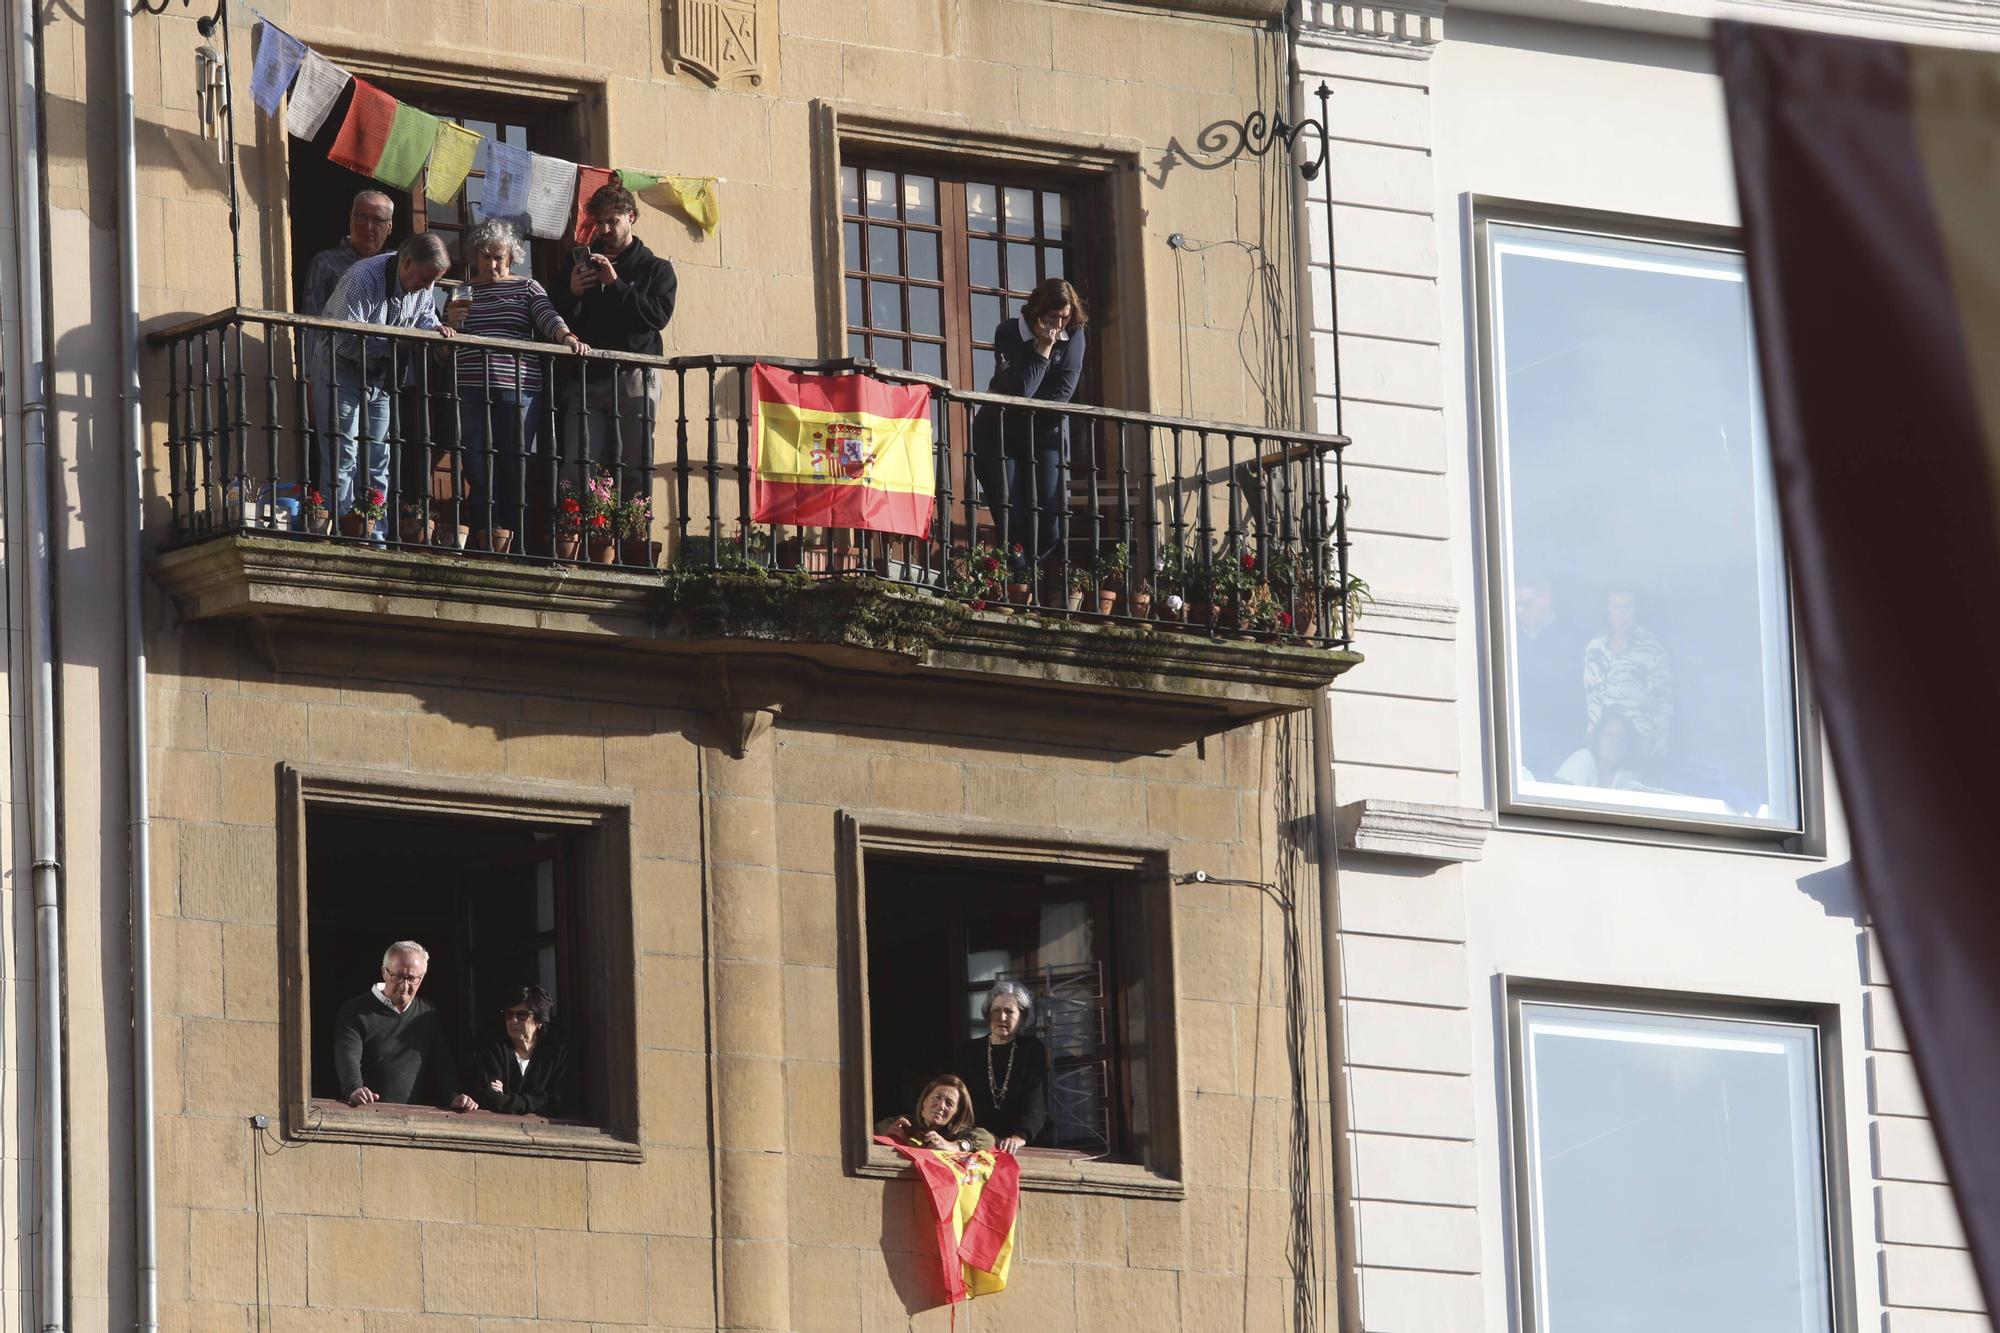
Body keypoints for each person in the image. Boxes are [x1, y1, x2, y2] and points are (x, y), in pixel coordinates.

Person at [443, 220, 589, 547]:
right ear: (475, 257)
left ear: (511, 258)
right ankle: (486, 539)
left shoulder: (527, 287)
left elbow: (547, 317)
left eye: (499, 257)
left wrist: (567, 338)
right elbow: (444, 350)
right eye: (486, 257)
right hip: (470, 388)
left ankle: (515, 543)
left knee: (514, 466)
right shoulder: (462, 292)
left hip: (518, 389)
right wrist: (449, 326)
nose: (493, 264)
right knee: (477, 468)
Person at [320, 233, 456, 538]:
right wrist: (398, 344)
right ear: (407, 263)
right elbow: (343, 340)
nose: (427, 286)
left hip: (382, 372)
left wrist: (434, 329)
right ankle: (341, 534)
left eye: (432, 281)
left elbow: (422, 314)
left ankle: (375, 534)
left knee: (379, 456)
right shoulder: (363, 278)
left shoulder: (425, 280)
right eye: (424, 279)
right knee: (344, 450)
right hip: (342, 365)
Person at [549, 181, 677, 489]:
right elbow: (551, 314)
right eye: (599, 222)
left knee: (634, 464)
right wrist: (573, 292)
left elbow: (657, 316)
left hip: (634, 376)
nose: (605, 229)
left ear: (630, 217)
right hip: (586, 376)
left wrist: (617, 285)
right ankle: (578, 534)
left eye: (612, 221)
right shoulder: (577, 262)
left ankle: (631, 536)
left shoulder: (656, 269)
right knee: (580, 465)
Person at [972, 278, 1088, 573]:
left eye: (1065, 317)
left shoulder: (1074, 335)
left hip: (1045, 432)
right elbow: (1022, 390)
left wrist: (1030, 405)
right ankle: (1019, 584)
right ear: (1038, 311)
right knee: (1013, 516)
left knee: (1051, 518)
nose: (1059, 325)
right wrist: (1043, 350)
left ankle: (1039, 580)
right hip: (999, 433)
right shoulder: (1009, 332)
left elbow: (1064, 391)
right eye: (1053, 317)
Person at [331, 940, 475, 1112]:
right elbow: (347, 1056)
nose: (405, 986)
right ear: (384, 972)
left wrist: (454, 1096)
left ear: (422, 977)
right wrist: (354, 1089)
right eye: (398, 976)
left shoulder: (426, 1013)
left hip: (412, 1117)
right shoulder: (354, 1010)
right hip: (367, 1113)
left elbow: (441, 1062)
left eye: (412, 978)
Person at [954, 980, 1047, 1154]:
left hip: (1015, 1146)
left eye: (1009, 1011)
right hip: (974, 1142)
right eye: (996, 1010)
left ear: (1023, 1016)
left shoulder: (1032, 1049)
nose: (1001, 1017)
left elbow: (1036, 1099)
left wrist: (1020, 1135)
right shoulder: (968, 1051)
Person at [1583, 589, 1673, 761]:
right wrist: (1592, 738)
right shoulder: (1594, 649)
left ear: (1637, 610)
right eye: (1616, 608)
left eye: (1628, 607)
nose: (1622, 614)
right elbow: (1591, 699)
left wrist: (1658, 748)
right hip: (1600, 744)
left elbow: (1664, 703)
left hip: (1637, 745)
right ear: (1608, 611)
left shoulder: (1653, 648)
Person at [467, 983, 580, 1118]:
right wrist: (540, 1098)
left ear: (539, 1021)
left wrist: (508, 1099)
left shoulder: (556, 1053)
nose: (513, 1020)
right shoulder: (494, 1049)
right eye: (509, 1014)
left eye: (522, 1015)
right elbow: (490, 1098)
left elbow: (561, 1102)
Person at [1514, 573, 1587, 779]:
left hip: (1560, 747)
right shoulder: (1505, 636)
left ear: (1545, 598)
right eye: (1516, 605)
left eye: (1525, 604)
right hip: (1518, 748)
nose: (1519, 612)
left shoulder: (1575, 640)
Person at [876, 1074, 995, 1153]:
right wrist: (882, 1138)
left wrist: (956, 1146)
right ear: (924, 1101)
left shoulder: (957, 1133)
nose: (941, 1106)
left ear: (956, 1112)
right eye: (937, 1098)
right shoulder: (900, 1124)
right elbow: (862, 1140)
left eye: (949, 1103)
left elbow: (988, 1138)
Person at [1555, 708, 1643, 789]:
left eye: (1623, 740)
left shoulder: (1628, 777)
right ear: (1598, 737)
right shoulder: (1582, 759)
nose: (1615, 743)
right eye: (1610, 736)